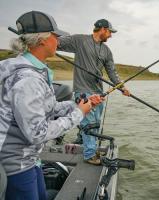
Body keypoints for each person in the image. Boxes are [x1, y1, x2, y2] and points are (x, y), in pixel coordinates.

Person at [0, 11, 104, 200]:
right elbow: (37, 133)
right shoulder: (28, 81)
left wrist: (78, 104)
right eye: (56, 36)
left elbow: (48, 108)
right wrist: (79, 114)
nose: (59, 40)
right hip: (15, 165)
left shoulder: (34, 73)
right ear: (42, 41)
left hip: (30, 160)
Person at [58, 19, 130, 165]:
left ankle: (88, 147)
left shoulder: (106, 51)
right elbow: (56, 43)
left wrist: (122, 87)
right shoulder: (79, 40)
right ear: (102, 29)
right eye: (110, 32)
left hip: (99, 93)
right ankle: (90, 155)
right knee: (89, 123)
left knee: (94, 124)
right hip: (83, 91)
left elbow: (112, 72)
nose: (110, 35)